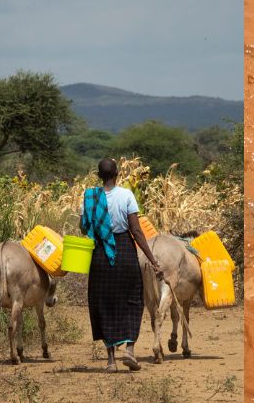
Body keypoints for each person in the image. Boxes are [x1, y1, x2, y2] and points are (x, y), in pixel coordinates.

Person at [83, 157, 165, 372]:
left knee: (104, 302)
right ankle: (129, 350)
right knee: (133, 299)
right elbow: (136, 231)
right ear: (117, 174)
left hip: (100, 254)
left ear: (99, 176)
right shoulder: (126, 195)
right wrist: (153, 261)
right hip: (125, 252)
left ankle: (111, 361)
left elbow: (84, 228)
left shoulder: (91, 197)